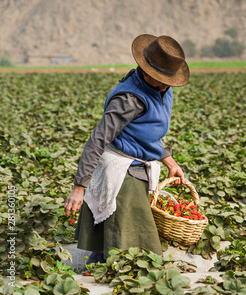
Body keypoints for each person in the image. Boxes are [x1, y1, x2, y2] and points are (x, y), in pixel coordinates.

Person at [64, 34, 189, 266]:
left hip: (140, 160)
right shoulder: (129, 100)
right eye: (160, 80)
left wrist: (170, 161)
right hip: (121, 163)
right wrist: (79, 187)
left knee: (126, 236)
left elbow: (148, 133)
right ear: (145, 72)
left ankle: (104, 263)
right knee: (123, 235)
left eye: (168, 80)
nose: (165, 86)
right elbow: (97, 139)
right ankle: (100, 268)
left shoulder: (163, 88)